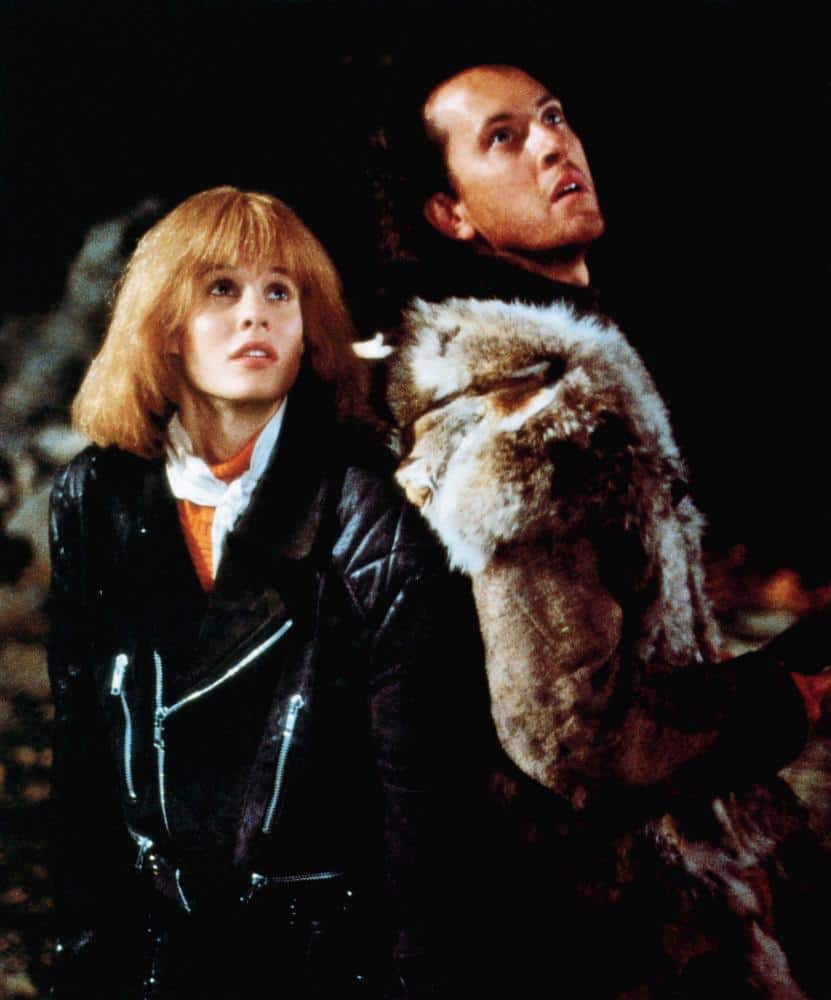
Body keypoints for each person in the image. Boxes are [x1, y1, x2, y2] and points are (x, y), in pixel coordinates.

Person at [368, 64, 831, 997]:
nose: (551, 144)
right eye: (502, 138)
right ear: (451, 214)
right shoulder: (537, 410)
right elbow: (571, 735)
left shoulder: (545, 368)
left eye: (552, 117)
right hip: (625, 925)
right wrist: (787, 697)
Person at [46, 186, 488, 999]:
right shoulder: (95, 495)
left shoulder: (370, 514)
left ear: (308, 329)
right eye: (221, 289)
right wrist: (83, 960)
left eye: (279, 292)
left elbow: (425, 801)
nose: (255, 313)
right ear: (164, 326)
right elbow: (84, 762)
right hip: (152, 954)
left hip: (322, 961)